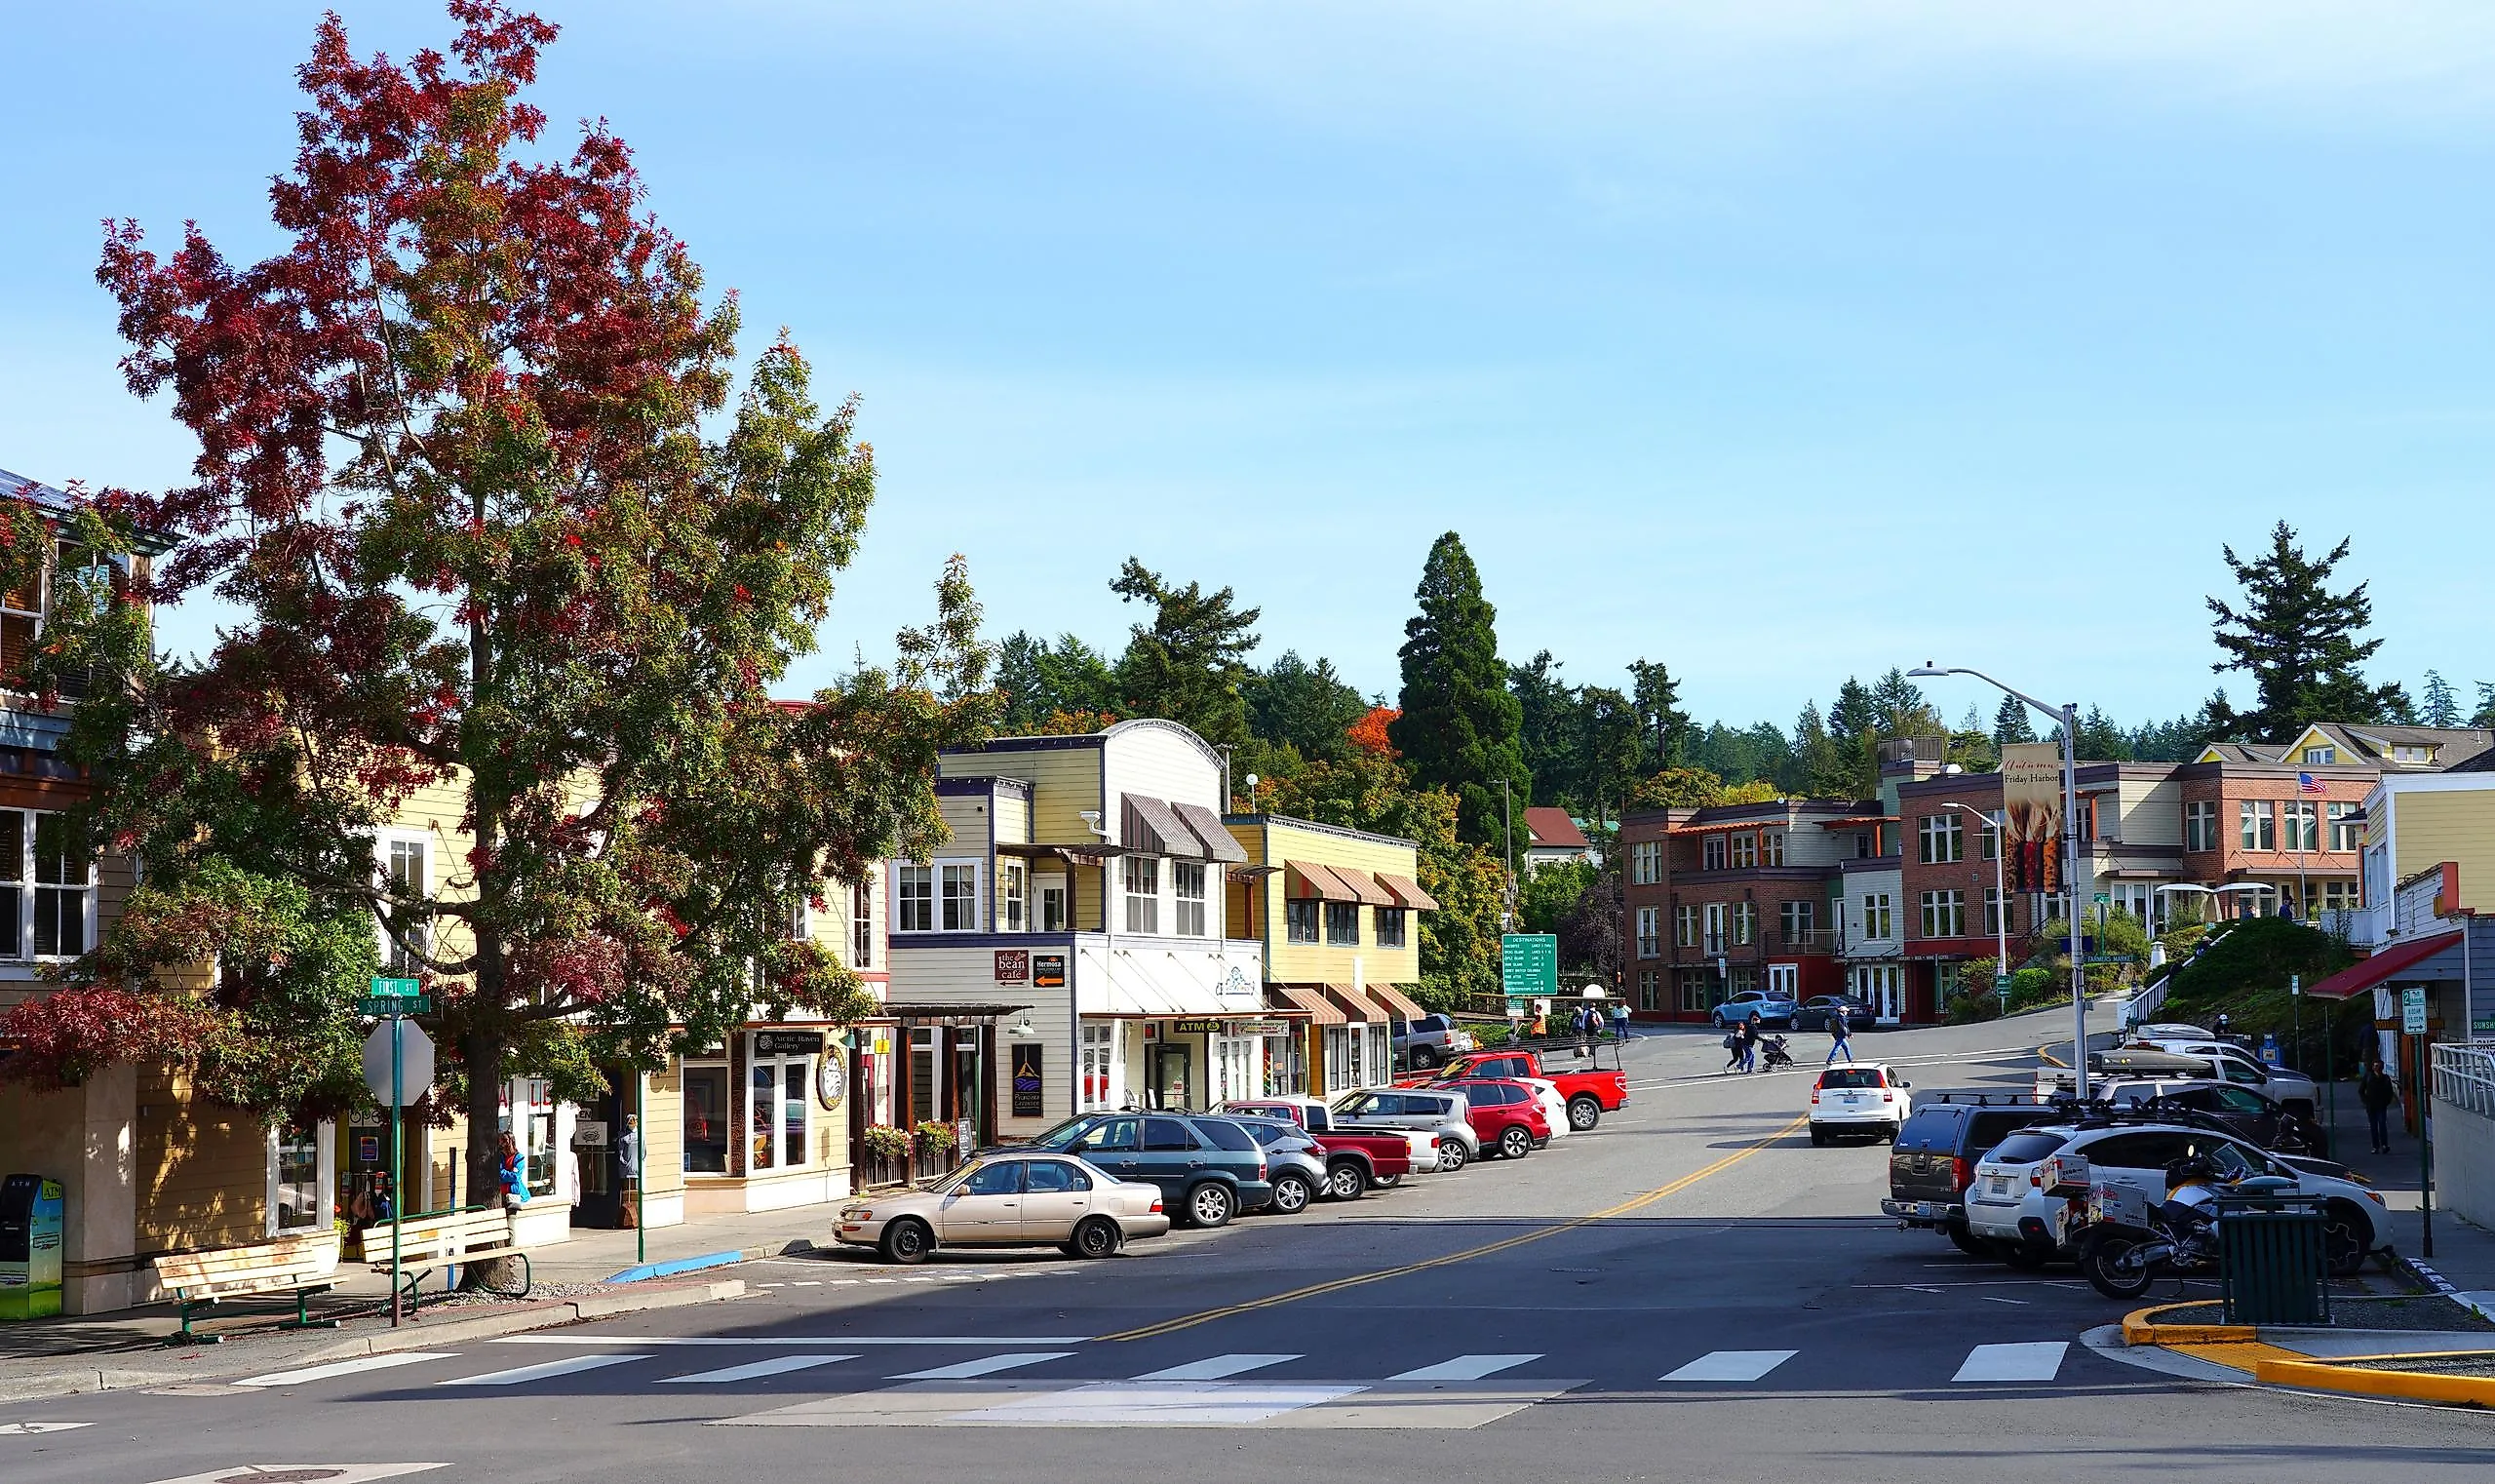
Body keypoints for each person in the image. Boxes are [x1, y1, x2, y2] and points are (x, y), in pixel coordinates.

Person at [2359, 1059, 2398, 1155]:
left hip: (2381, 1106)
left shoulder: (2385, 1078)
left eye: (2379, 1066)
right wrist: (2366, 1101)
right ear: (2373, 1067)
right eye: (2376, 1066)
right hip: (2371, 1106)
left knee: (2382, 1125)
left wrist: (2386, 1102)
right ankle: (2375, 1146)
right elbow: (2361, 1090)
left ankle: (2384, 1145)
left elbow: (2389, 1092)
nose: (2378, 1068)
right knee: (2373, 1126)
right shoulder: (2368, 1077)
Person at [615, 1113, 642, 1230]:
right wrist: (623, 1161)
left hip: (636, 1165)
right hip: (626, 1166)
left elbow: (643, 1151)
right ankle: (625, 1215)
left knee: (635, 1189)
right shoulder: (622, 1135)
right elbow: (620, 1151)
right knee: (626, 1190)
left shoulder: (640, 1135)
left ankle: (635, 1216)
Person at [495, 1131, 528, 1211]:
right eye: (500, 1140)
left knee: (511, 1220)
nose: (502, 1143)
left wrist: (502, 1173)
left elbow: (515, 1177)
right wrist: (506, 1173)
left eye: (504, 1140)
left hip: (514, 1196)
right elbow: (498, 1174)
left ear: (511, 1142)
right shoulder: (500, 1157)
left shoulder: (519, 1158)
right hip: (501, 1195)